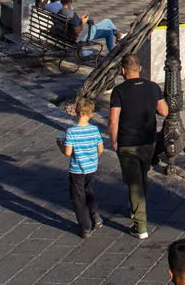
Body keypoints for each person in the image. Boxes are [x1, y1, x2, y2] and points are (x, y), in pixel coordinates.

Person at [109, 55, 169, 239]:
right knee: (142, 176)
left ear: (123, 70)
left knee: (134, 182)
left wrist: (113, 140)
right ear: (140, 68)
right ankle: (137, 206)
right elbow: (164, 111)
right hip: (148, 141)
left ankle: (140, 225)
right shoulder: (152, 87)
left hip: (128, 143)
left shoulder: (119, 91)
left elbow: (113, 120)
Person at [56, 98, 104, 237]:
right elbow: (100, 149)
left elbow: (68, 152)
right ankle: (95, 216)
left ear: (76, 112)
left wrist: (60, 145)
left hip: (77, 169)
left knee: (78, 197)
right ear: (91, 114)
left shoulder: (71, 132)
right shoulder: (94, 130)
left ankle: (85, 226)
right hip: (91, 167)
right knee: (89, 191)